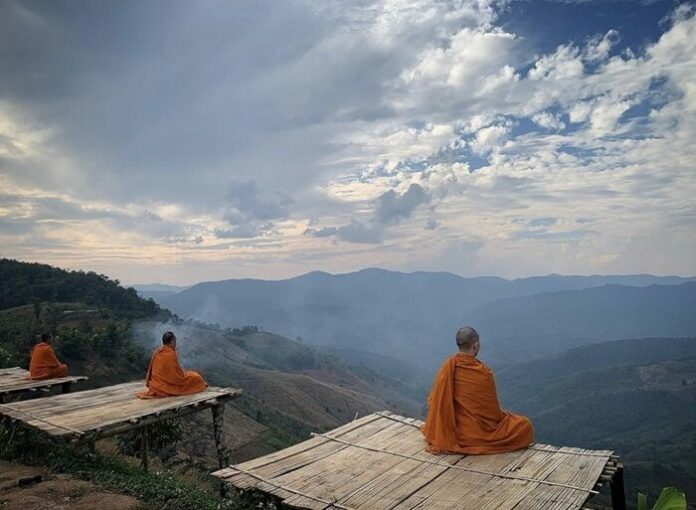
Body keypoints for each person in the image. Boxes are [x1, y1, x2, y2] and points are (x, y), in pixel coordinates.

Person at [422, 326, 534, 455]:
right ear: (475, 345)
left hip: (450, 430)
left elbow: (434, 400)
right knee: (524, 426)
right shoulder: (483, 373)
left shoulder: (447, 367)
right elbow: (493, 416)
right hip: (475, 433)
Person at [137, 331, 207, 398]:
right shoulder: (170, 354)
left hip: (155, 384)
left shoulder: (158, 351)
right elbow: (176, 376)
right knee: (196, 377)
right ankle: (200, 386)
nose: (176, 343)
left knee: (191, 375)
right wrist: (183, 373)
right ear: (172, 342)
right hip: (165, 385)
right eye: (175, 341)